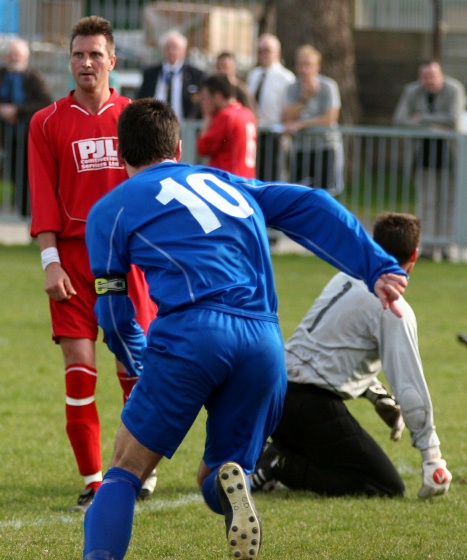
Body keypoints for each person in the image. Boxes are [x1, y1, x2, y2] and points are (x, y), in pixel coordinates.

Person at [82, 97, 408, 560]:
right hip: (263, 343)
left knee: (124, 469)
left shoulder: (110, 209)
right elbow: (312, 203)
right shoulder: (224, 182)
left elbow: (113, 311)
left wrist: (135, 358)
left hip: (194, 334)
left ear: (120, 154)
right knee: (219, 470)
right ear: (178, 146)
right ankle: (231, 485)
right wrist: (376, 266)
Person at [27, 16, 158, 512]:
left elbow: (153, 188)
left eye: (95, 55)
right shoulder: (46, 122)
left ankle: (139, 471)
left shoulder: (135, 118)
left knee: (135, 371)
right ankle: (94, 480)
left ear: (112, 61)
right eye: (78, 55)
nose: (86, 63)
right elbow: (42, 199)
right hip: (74, 264)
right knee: (80, 371)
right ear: (70, 60)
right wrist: (49, 262)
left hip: (128, 261)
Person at [251, 212, 452, 499]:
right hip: (306, 402)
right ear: (415, 256)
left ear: (374, 245)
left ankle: (279, 453)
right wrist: (432, 456)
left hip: (275, 392)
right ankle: (279, 464)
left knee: (339, 454)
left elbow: (331, 349)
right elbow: (410, 388)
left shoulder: (346, 276)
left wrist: (373, 392)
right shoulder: (394, 307)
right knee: (385, 486)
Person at [393, 60, 466, 261]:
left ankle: (446, 246)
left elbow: (453, 119)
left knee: (448, 202)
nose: (429, 80)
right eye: (425, 77)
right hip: (422, 157)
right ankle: (428, 246)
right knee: (427, 202)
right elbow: (400, 119)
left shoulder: (454, 89)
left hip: (450, 157)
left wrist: (420, 118)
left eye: (433, 76)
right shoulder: (412, 91)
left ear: (441, 75)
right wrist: (433, 127)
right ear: (420, 77)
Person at [0, 37, 52, 216]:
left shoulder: (34, 77)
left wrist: (18, 111)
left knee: (25, 175)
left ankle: (25, 214)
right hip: (2, 133)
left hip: (25, 134)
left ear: (26, 58)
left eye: (18, 55)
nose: (14, 58)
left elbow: (45, 103)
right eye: (11, 54)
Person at [283, 44, 344, 196]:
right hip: (301, 148)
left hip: (325, 146)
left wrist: (301, 124)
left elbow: (330, 118)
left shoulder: (328, 86)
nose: (305, 69)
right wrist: (304, 99)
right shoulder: (293, 88)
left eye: (308, 65)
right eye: (301, 65)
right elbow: (287, 117)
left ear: (317, 66)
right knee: (300, 192)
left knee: (326, 194)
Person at [246, 33, 295, 181]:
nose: (263, 54)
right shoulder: (254, 74)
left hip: (274, 134)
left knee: (272, 177)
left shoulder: (286, 77)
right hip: (255, 133)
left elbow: (289, 108)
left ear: (277, 53)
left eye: (267, 50)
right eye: (260, 50)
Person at [197, 73, 257, 178]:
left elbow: (203, 147)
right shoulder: (248, 113)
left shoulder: (225, 116)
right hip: (247, 178)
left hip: (229, 180)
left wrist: (206, 121)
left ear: (217, 96)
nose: (203, 104)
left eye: (205, 98)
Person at [137, 29, 205, 121]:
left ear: (183, 51)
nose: (171, 52)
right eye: (168, 48)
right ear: (162, 50)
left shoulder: (196, 75)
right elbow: (141, 99)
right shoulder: (150, 73)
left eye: (175, 48)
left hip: (185, 128)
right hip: (155, 126)